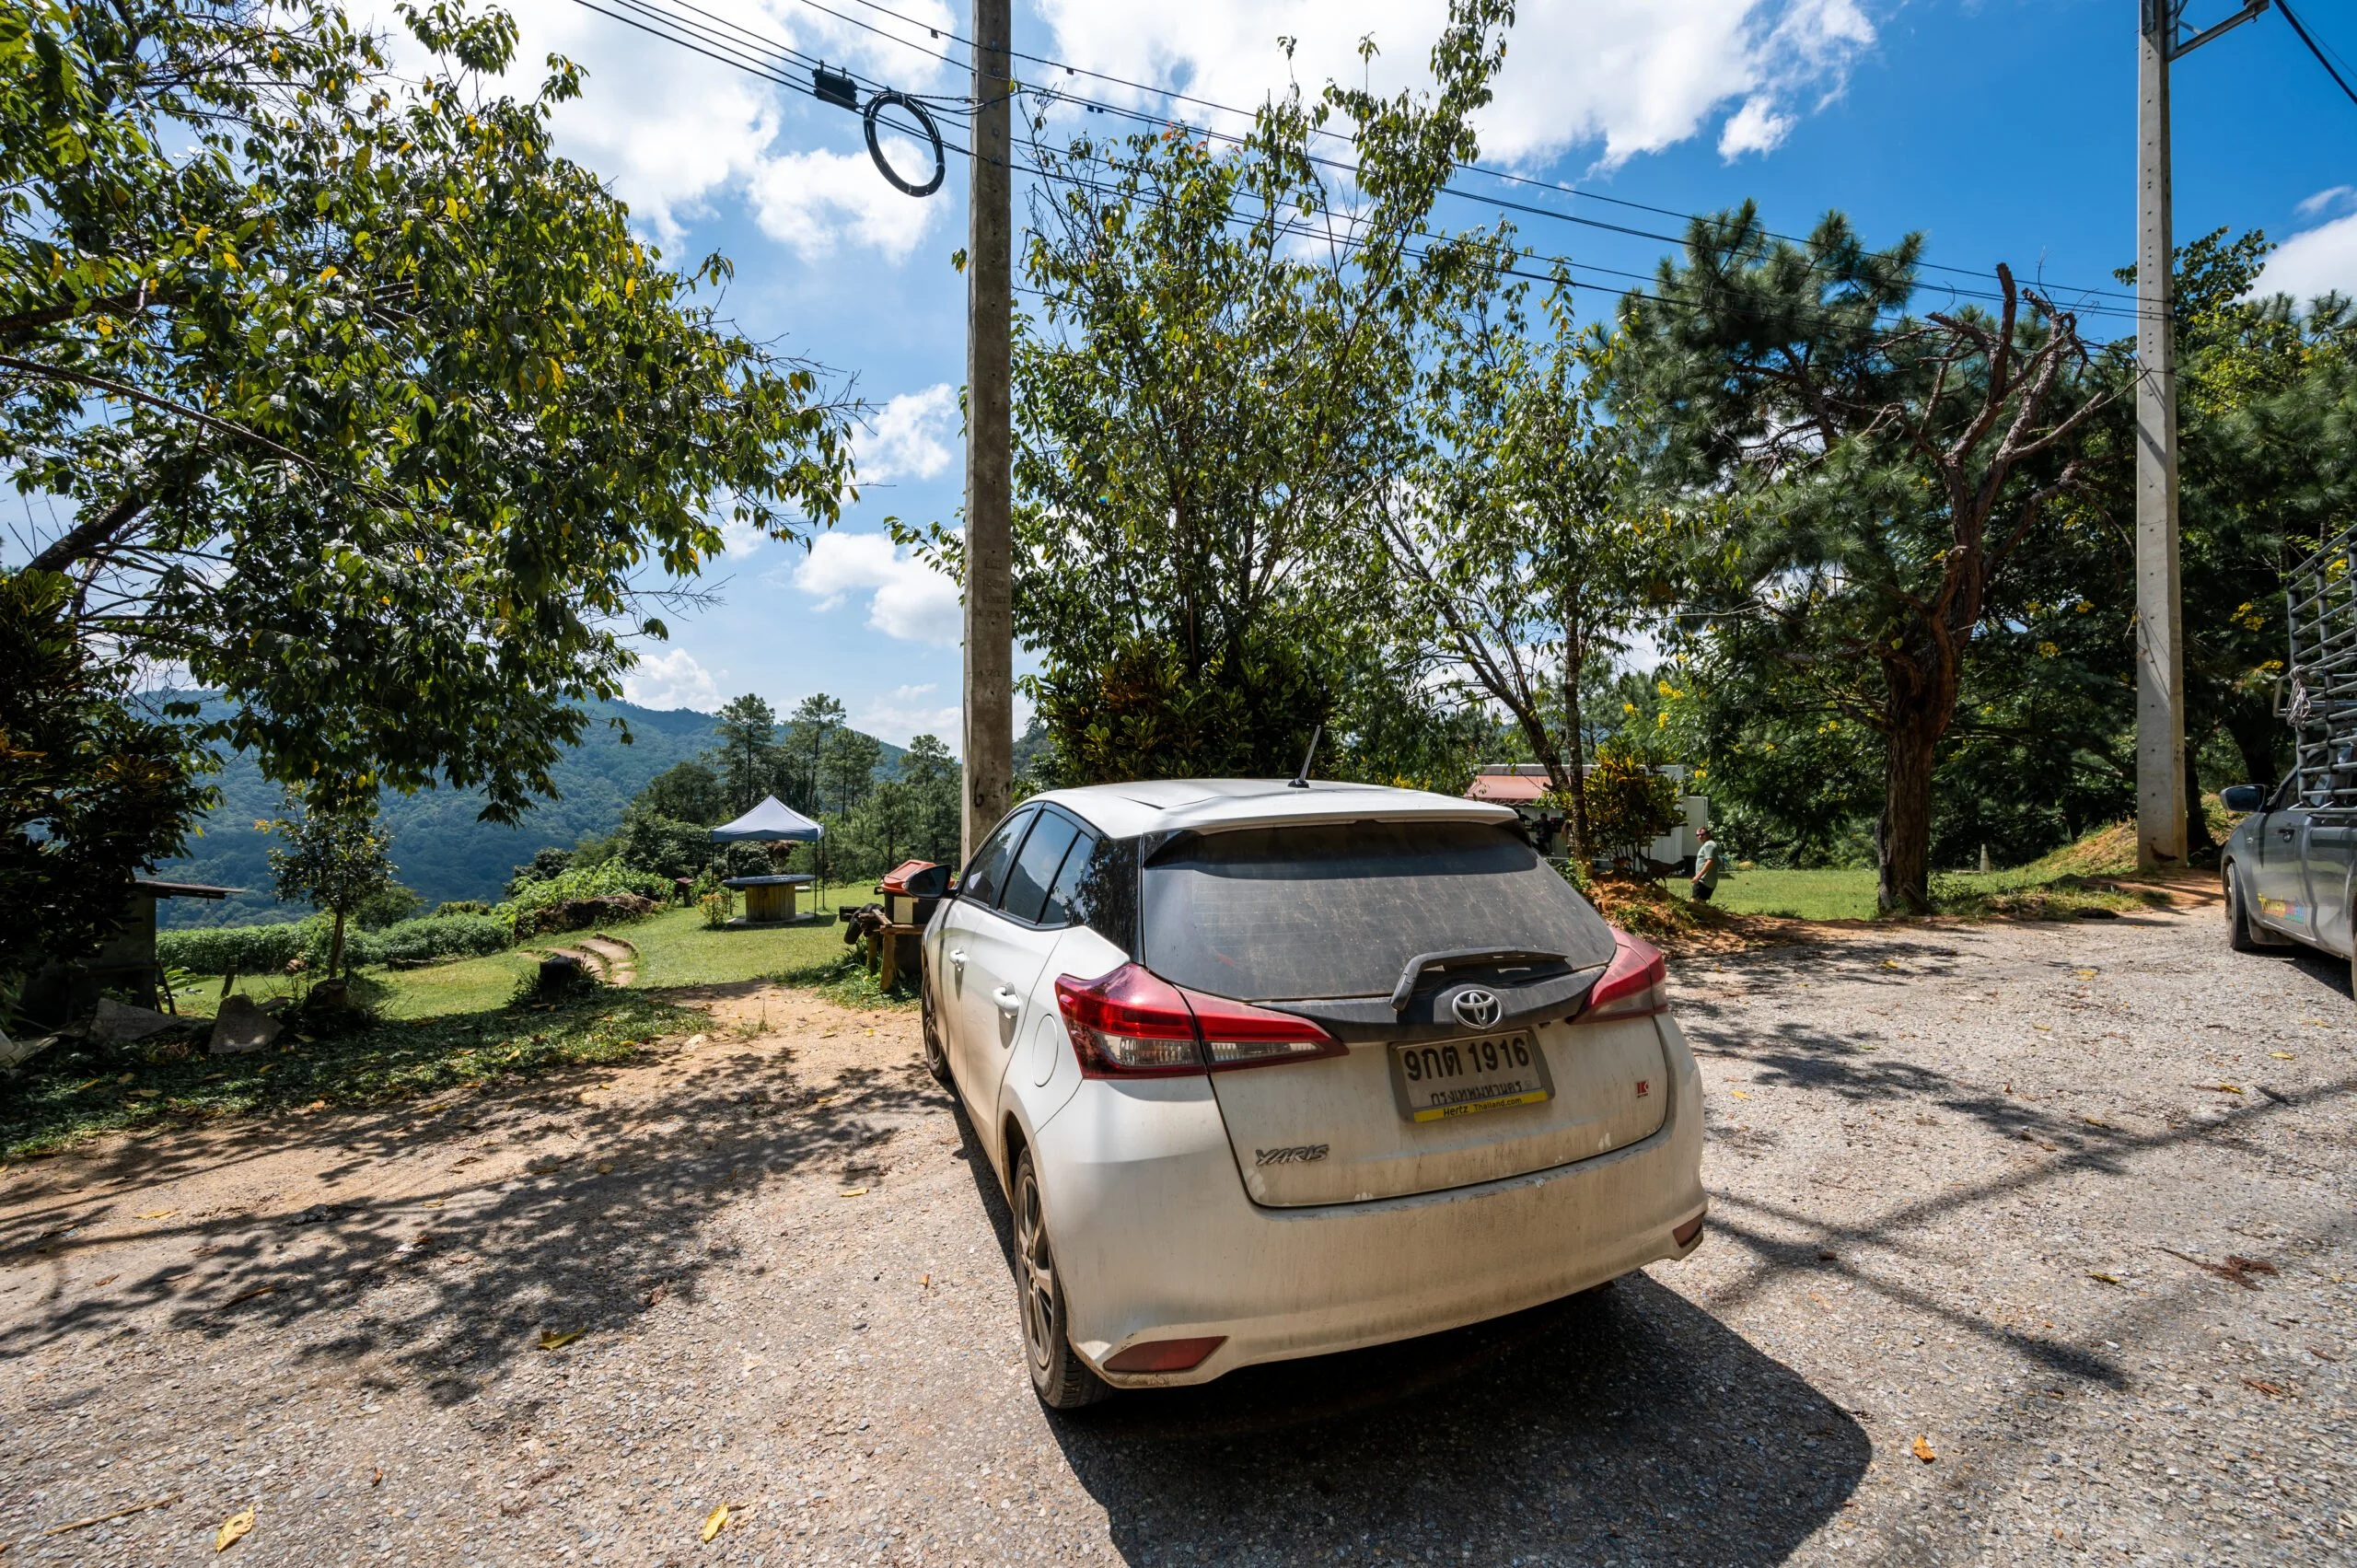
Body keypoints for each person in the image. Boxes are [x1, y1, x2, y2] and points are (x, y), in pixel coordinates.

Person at [1690, 828, 1726, 903]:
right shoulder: (1710, 844)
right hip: (1708, 881)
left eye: (1702, 834)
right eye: (1697, 835)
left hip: (1703, 881)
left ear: (1708, 834)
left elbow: (1710, 861)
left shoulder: (1709, 845)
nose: (1700, 836)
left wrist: (1698, 876)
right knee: (1702, 904)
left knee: (1694, 903)